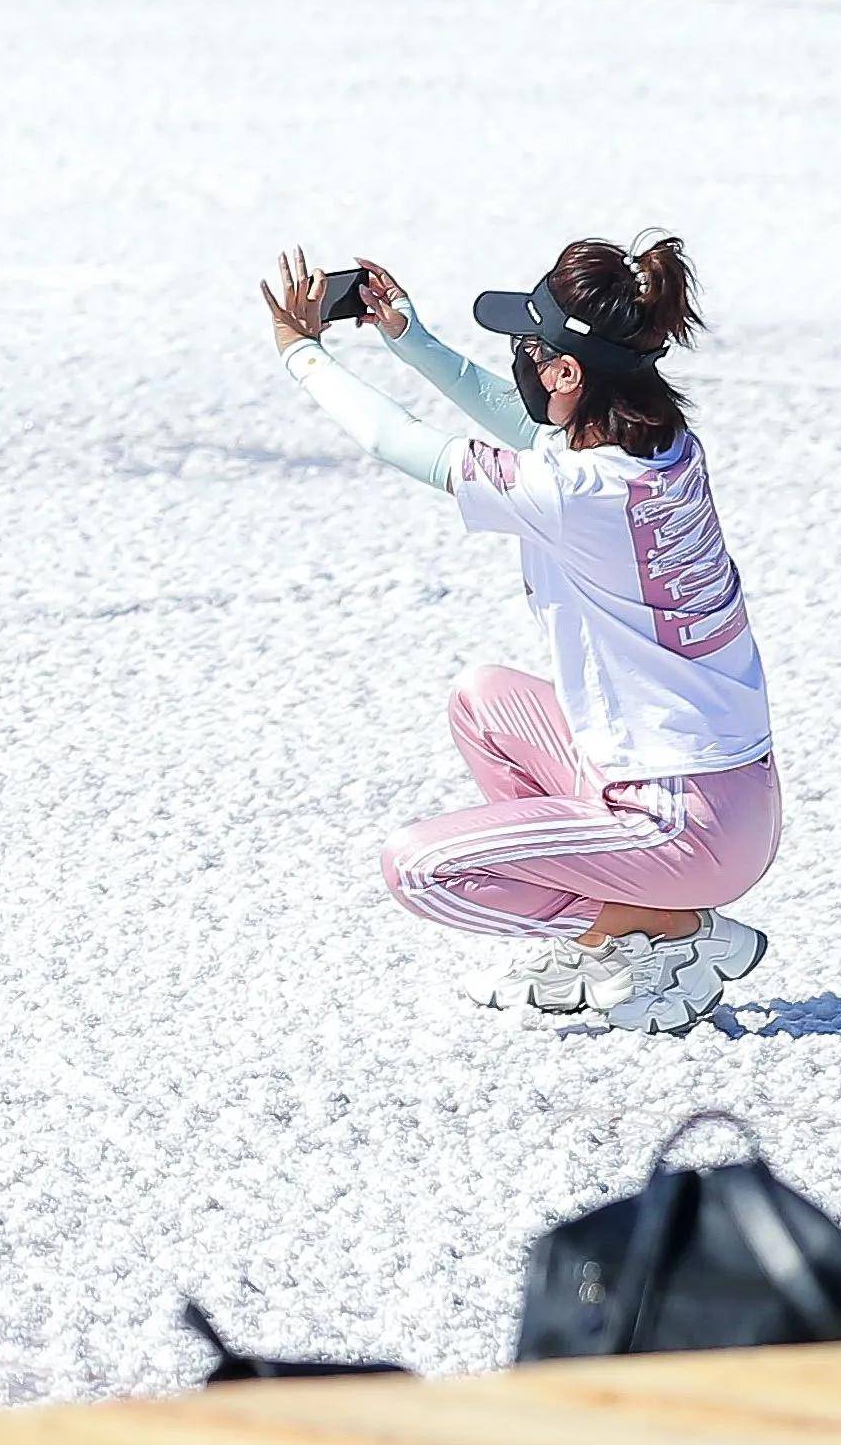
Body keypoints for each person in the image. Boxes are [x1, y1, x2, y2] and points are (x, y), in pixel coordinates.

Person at [264, 235, 780, 1035]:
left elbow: (396, 442)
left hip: (687, 825)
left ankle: (661, 933)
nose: (515, 361)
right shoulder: (654, 445)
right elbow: (521, 422)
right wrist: (411, 340)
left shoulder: (580, 490)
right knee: (485, 702)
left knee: (420, 870)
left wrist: (303, 356)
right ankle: (631, 929)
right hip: (714, 795)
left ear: (567, 373)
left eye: (525, 349)